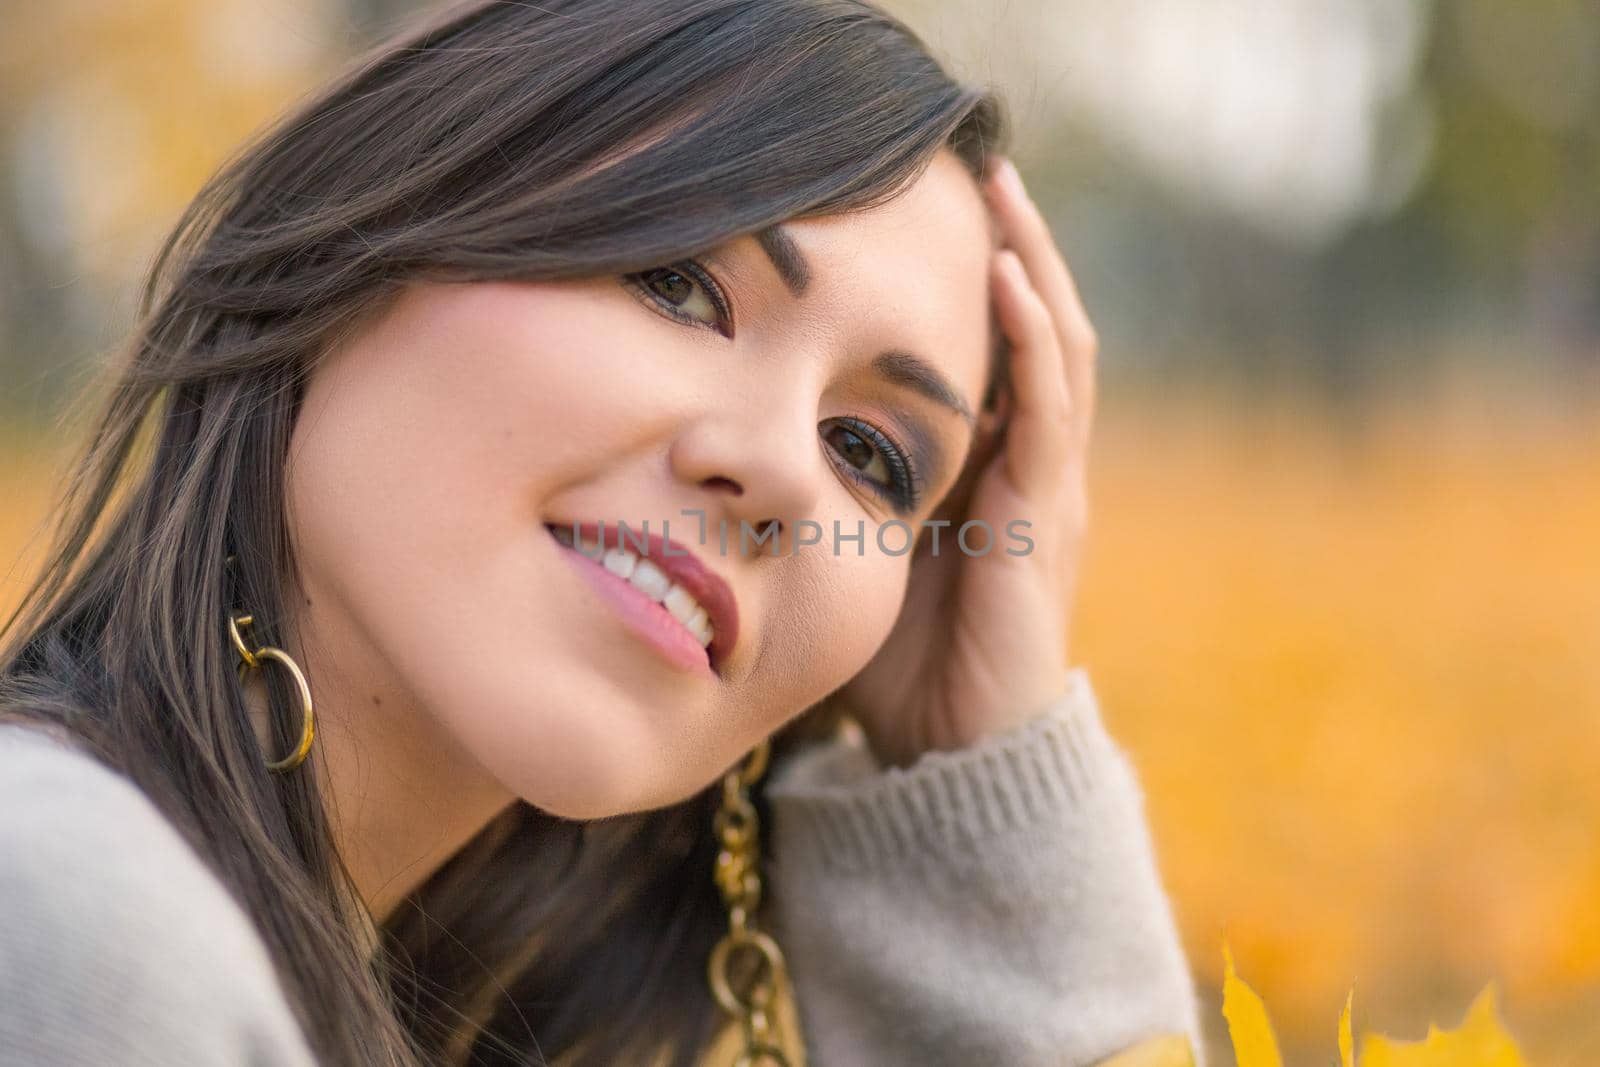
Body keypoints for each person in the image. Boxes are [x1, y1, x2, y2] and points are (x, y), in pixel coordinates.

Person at [0, 0, 1207, 1064]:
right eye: (677, 282)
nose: (786, 469)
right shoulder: (81, 929)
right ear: (359, 226)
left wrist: (973, 764)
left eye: (871, 457)